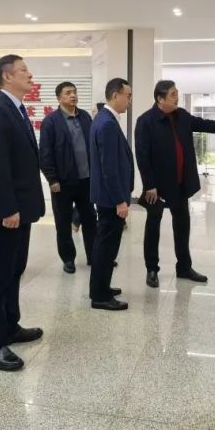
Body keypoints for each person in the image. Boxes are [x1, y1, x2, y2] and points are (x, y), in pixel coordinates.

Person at [135, 80, 215, 288]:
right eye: (173, 94)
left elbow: (206, 124)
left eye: (177, 93)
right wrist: (149, 185)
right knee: (153, 227)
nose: (177, 97)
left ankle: (184, 267)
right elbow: (142, 156)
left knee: (182, 225)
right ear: (160, 99)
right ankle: (152, 269)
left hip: (180, 183)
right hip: (157, 186)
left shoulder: (181, 115)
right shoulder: (145, 121)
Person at [0, 55, 45, 372]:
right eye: (23, 70)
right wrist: (8, 208)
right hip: (5, 212)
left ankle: (10, 325)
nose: (29, 74)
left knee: (14, 270)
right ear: (7, 76)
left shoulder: (16, 109)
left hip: (21, 209)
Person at [39, 81, 97, 274]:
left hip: (86, 180)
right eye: (68, 93)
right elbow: (45, 153)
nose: (73, 95)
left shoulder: (85, 117)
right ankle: (68, 259)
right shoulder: (51, 121)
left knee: (90, 219)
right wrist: (52, 179)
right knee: (63, 223)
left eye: (74, 92)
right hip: (62, 183)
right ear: (59, 98)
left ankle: (94, 256)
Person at [89, 78, 133, 311]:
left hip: (107, 195)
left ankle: (101, 287)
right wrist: (119, 200)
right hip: (110, 198)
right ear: (115, 95)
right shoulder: (106, 123)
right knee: (106, 247)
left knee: (105, 246)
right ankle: (100, 296)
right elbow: (109, 167)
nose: (129, 100)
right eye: (128, 95)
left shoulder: (105, 119)